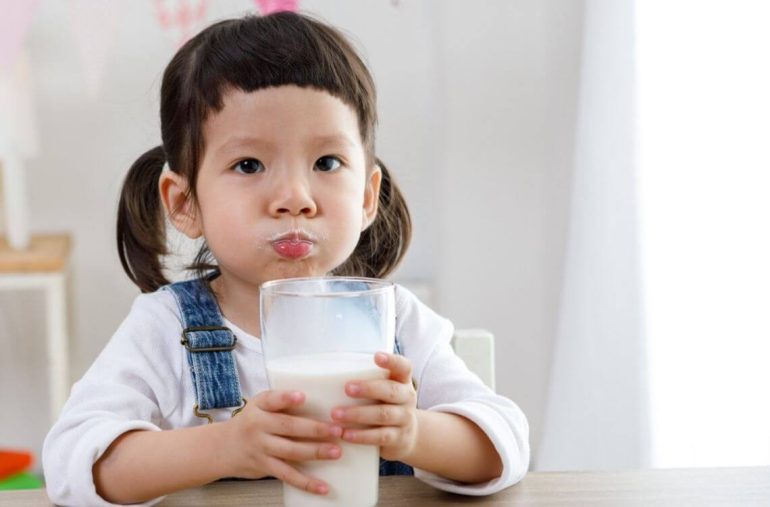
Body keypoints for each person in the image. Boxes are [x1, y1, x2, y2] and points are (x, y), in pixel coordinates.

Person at [42, 11, 529, 506]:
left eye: (327, 163)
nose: (295, 197)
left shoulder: (396, 322)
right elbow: (70, 463)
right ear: (184, 203)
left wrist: (415, 433)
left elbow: (505, 444)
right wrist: (223, 447)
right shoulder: (164, 329)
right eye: (248, 164)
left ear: (366, 197)